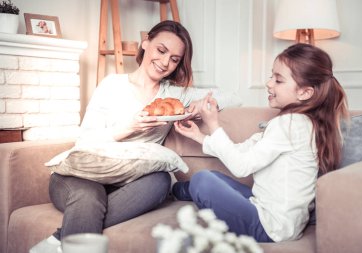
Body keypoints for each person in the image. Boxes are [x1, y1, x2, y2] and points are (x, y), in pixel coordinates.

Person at [29, 20, 241, 253]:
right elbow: (86, 142)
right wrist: (130, 127)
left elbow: (232, 96)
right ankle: (68, 238)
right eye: (161, 50)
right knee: (89, 198)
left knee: (161, 181)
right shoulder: (112, 85)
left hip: (131, 182)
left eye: (174, 59)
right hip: (82, 175)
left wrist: (201, 105)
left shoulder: (173, 96)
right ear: (145, 42)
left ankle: (64, 236)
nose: (164, 63)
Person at [172, 43, 349, 243]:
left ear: (305, 93)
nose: (269, 84)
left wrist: (213, 124)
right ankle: (186, 190)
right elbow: (241, 153)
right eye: (271, 76)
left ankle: (187, 190)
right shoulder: (298, 123)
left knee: (202, 180)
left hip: (269, 227)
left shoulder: (290, 124)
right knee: (213, 177)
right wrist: (199, 136)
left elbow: (241, 166)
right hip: (276, 217)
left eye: (278, 80)